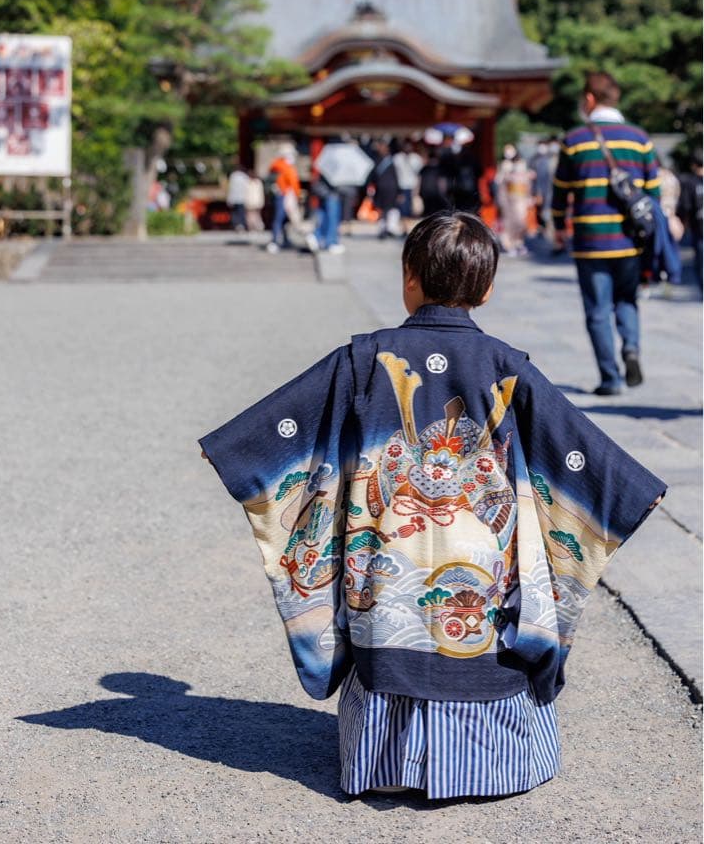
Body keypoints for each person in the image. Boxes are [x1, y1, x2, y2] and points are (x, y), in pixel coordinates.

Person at [199, 211, 665, 799]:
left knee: (388, 620)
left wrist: (235, 452)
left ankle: (385, 765)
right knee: (484, 628)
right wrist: (628, 489)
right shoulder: (507, 367)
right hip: (485, 558)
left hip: (387, 554)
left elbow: (286, 424)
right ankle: (493, 765)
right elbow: (576, 452)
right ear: (487, 289)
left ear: (408, 276)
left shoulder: (365, 358)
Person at [551, 72, 661, 395]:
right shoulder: (640, 139)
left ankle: (610, 378)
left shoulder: (574, 140)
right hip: (630, 241)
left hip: (590, 241)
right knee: (627, 300)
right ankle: (631, 348)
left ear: (589, 99)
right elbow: (652, 195)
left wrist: (558, 227)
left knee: (598, 310)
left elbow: (560, 193)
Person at [495, 144, 532, 256]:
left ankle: (518, 242)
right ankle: (508, 244)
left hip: (521, 197)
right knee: (508, 222)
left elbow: (527, 182)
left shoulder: (522, 163)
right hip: (508, 198)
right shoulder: (504, 165)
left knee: (521, 221)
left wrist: (529, 196)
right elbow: (499, 181)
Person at [676, 149, 703, 294]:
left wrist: (683, 226)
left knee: (701, 263)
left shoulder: (689, 182)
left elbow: (685, 207)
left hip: (699, 229)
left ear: (693, 165)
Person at [266, 146, 302, 254]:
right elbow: (292, 182)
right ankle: (275, 240)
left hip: (284, 195)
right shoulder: (283, 166)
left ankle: (284, 239)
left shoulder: (278, 166)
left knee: (284, 219)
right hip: (283, 195)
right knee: (279, 218)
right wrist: (297, 194)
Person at [366, 141, 401, 238]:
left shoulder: (391, 161)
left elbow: (396, 178)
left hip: (391, 189)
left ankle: (390, 228)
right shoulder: (376, 161)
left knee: (390, 210)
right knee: (381, 210)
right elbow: (372, 177)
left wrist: (399, 192)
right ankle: (382, 229)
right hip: (380, 190)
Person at [393, 139, 423, 229]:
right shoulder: (397, 158)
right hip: (401, 186)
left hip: (412, 186)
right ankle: (404, 227)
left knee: (411, 209)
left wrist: (417, 190)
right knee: (402, 208)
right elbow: (395, 175)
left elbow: (419, 175)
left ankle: (409, 227)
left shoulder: (416, 158)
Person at [530, 138, 553, 238]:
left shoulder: (551, 159)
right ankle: (542, 228)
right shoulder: (534, 159)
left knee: (548, 210)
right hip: (538, 190)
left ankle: (549, 230)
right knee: (539, 211)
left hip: (550, 190)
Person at [226, 162, 249, 231]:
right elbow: (247, 188)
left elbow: (230, 188)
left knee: (235, 212)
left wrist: (229, 199)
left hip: (234, 197)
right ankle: (241, 225)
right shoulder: (244, 176)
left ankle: (236, 225)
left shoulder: (233, 176)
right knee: (241, 212)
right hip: (242, 197)